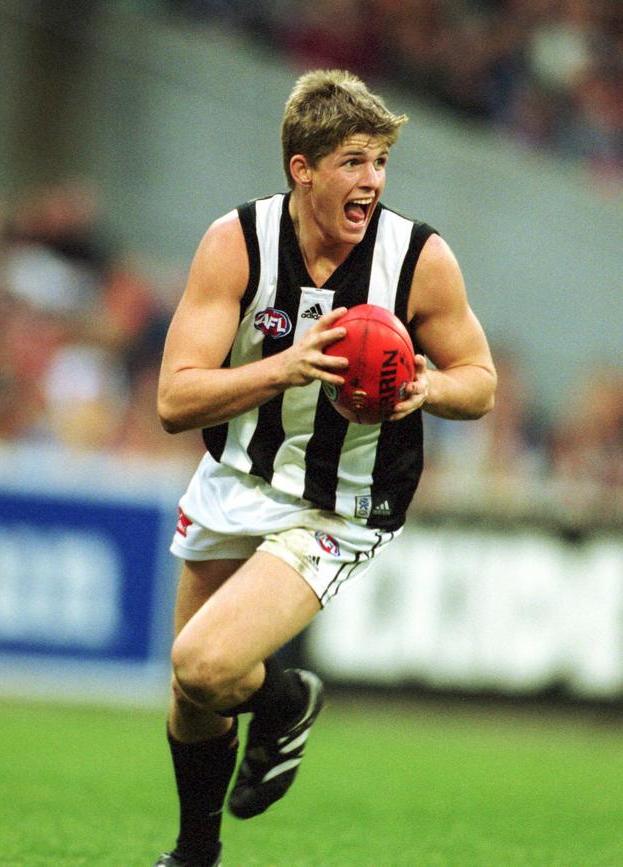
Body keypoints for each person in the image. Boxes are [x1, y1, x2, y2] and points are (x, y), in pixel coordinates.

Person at [154, 69, 497, 867]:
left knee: (204, 662)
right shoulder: (236, 242)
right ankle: (196, 852)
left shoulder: (419, 258)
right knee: (193, 693)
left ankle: (283, 699)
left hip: (340, 503)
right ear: (301, 168)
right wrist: (284, 367)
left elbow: (478, 382)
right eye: (353, 161)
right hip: (236, 476)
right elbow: (175, 400)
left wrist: (427, 386)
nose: (371, 180)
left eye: (379, 162)